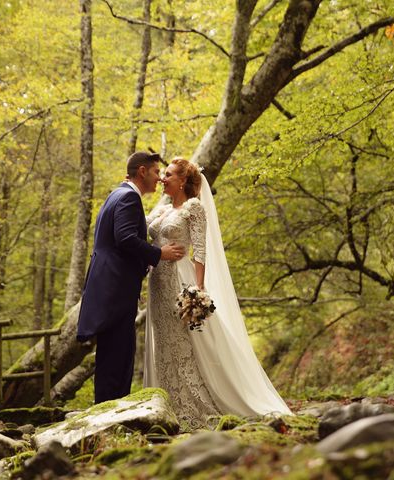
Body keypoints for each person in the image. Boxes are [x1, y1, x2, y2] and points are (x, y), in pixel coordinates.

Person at [144, 157, 293, 427]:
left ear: (183, 181)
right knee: (164, 338)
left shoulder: (193, 207)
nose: (163, 179)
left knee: (187, 340)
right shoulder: (162, 210)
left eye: (168, 175)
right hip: (157, 283)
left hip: (180, 278)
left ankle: (197, 404)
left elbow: (199, 248)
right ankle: (169, 403)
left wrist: (198, 289)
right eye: (162, 174)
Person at [77, 151, 185, 404]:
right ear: (142, 172)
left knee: (112, 353)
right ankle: (113, 414)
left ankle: (105, 410)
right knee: (119, 353)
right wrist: (159, 253)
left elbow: (119, 236)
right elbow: (124, 238)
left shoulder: (117, 194)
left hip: (107, 285)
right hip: (115, 287)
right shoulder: (128, 198)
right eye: (157, 172)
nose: (159, 178)